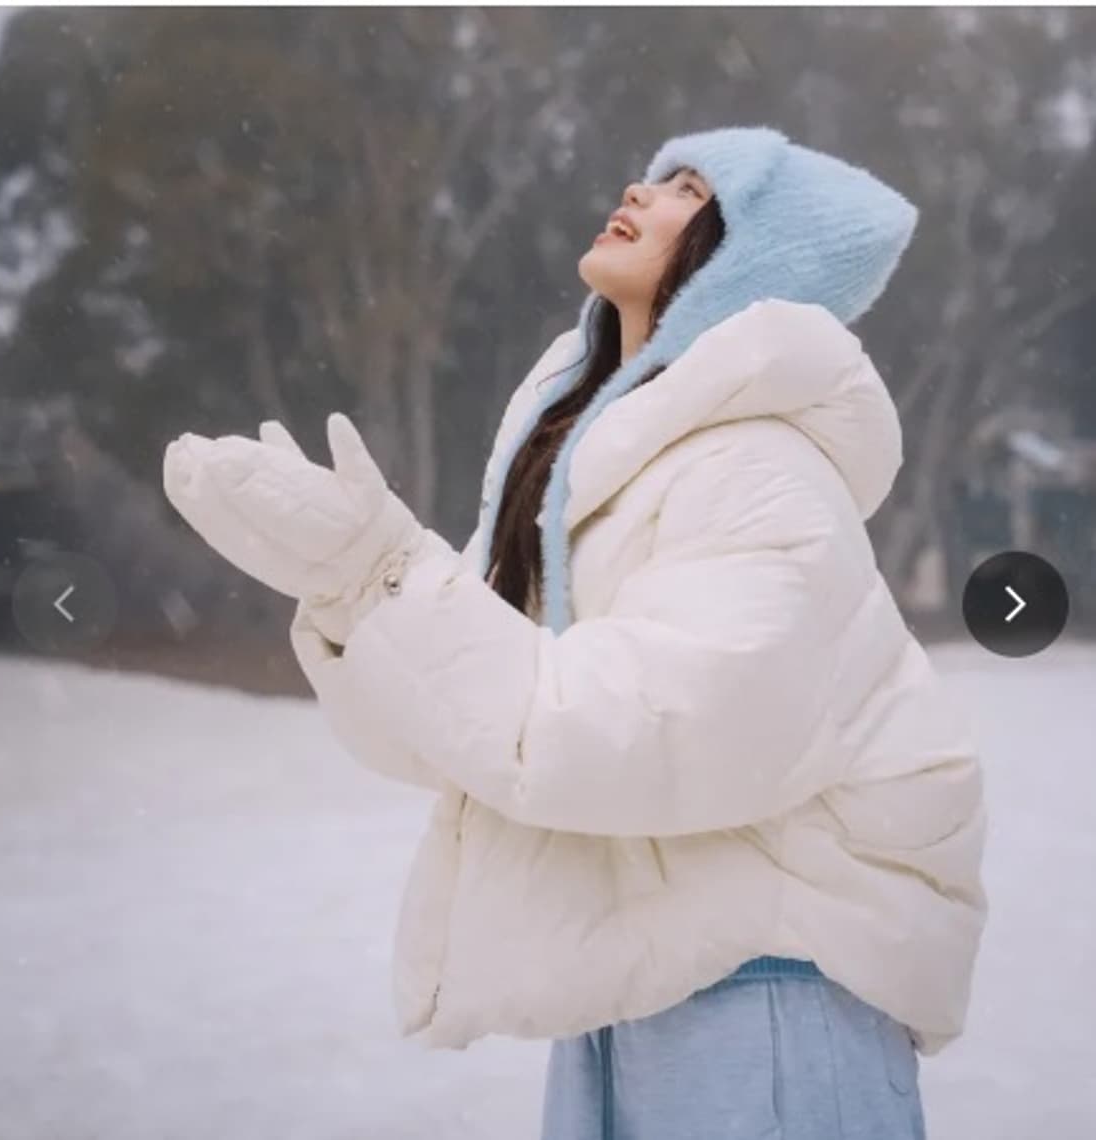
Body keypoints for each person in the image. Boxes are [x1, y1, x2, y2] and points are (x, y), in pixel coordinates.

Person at [163, 125, 988, 1139]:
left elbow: (635, 730)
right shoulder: (588, 474)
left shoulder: (757, 473)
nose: (639, 193)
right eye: (650, 173)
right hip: (631, 987)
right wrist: (346, 592)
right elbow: (459, 740)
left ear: (748, 252)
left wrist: (383, 568)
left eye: (687, 188)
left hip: (769, 995)